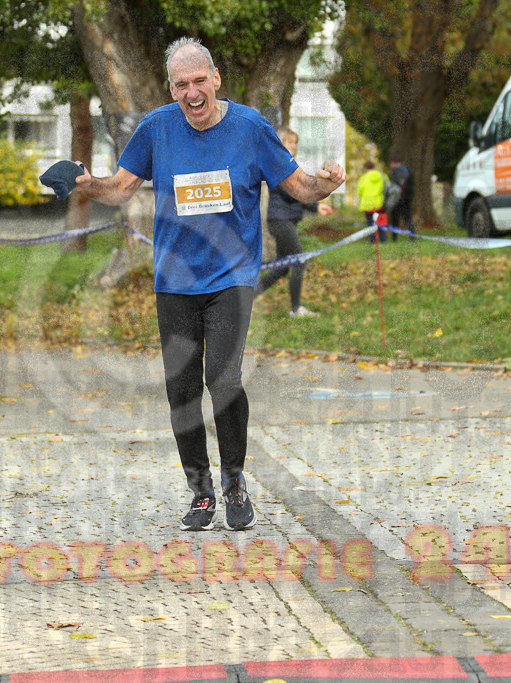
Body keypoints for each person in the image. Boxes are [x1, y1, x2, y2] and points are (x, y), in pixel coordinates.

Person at [74, 37, 344, 531]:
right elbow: (118, 189)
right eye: (182, 85)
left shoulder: (251, 128)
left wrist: (326, 183)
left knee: (223, 379)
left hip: (231, 277)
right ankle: (201, 491)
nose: (192, 92)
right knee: (181, 389)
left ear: (216, 78)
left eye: (200, 81)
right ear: (171, 89)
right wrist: (86, 182)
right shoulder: (156, 129)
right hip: (174, 280)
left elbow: (301, 186)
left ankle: (234, 480)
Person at [255, 127, 319, 318]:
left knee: (282, 268)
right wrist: (315, 206)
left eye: (295, 143)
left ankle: (245, 301)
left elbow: (298, 194)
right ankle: (296, 309)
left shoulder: (289, 165)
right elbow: (293, 193)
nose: (293, 146)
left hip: (285, 220)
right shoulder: (278, 164)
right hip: (280, 221)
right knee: (299, 260)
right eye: (289, 142)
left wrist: (316, 207)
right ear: (280, 143)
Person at [356, 160, 386, 242]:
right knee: (381, 222)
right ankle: (383, 239)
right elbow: (386, 187)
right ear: (373, 167)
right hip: (379, 203)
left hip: (367, 204)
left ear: (365, 168)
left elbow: (359, 192)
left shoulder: (363, 178)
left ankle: (372, 240)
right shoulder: (382, 176)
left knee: (370, 223)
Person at [388, 156, 415, 241]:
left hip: (399, 198)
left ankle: (395, 238)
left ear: (393, 163)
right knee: (407, 218)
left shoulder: (398, 171)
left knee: (396, 218)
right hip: (407, 197)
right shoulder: (407, 169)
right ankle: (412, 236)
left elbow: (399, 184)